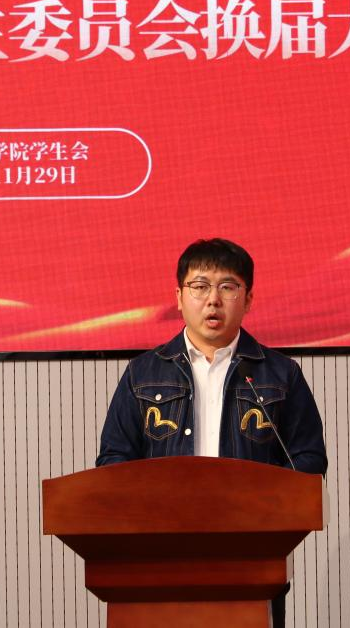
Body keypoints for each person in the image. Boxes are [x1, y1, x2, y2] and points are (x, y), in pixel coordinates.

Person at [96, 238, 327, 627]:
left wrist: (261, 513)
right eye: (199, 286)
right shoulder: (142, 373)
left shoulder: (280, 375)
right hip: (159, 557)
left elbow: (308, 462)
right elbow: (113, 461)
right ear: (179, 297)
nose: (213, 300)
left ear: (248, 299)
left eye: (227, 287)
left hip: (250, 558)